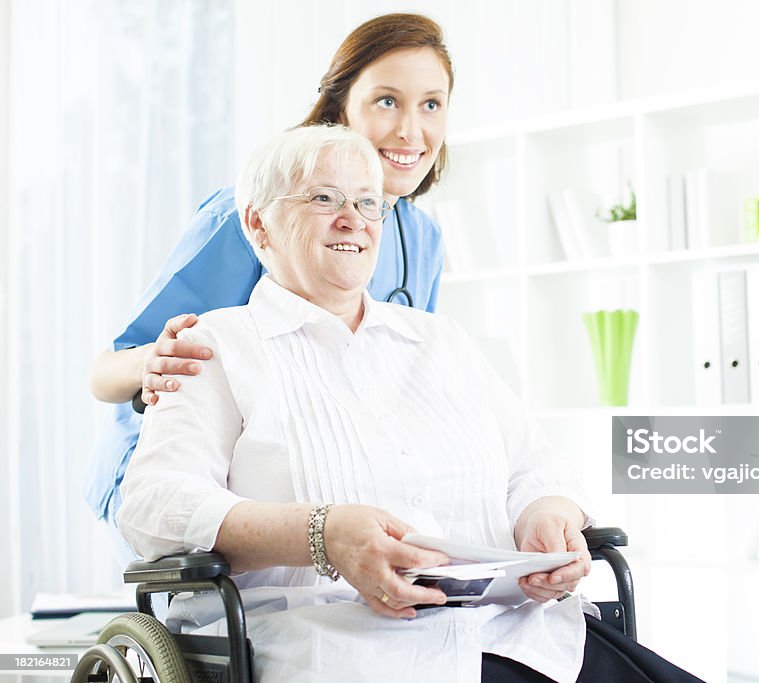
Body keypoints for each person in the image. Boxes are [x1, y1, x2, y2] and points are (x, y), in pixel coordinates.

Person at [117, 125, 704, 683]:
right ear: (257, 225)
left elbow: (534, 464)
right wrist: (320, 534)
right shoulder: (213, 346)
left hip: (513, 633)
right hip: (335, 642)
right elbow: (152, 503)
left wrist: (546, 516)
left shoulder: (440, 341)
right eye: (324, 197)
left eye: (370, 203)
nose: (353, 219)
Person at [85, 13, 454, 545]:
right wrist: (154, 361)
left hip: (305, 472)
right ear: (339, 109)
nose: (410, 130)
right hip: (185, 476)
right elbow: (105, 376)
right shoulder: (253, 214)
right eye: (387, 100)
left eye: (431, 104)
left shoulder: (421, 238)